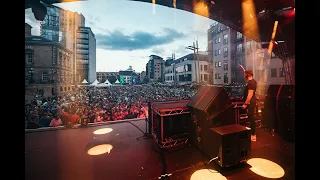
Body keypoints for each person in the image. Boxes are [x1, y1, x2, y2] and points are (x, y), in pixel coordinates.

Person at [240, 66, 257, 141]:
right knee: (251, 118)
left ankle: (253, 135)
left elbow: (250, 94)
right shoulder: (252, 81)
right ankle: (253, 134)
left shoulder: (251, 83)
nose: (244, 76)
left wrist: (245, 104)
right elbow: (246, 72)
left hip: (250, 103)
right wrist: (242, 68)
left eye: (245, 75)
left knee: (251, 118)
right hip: (250, 102)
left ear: (248, 75)